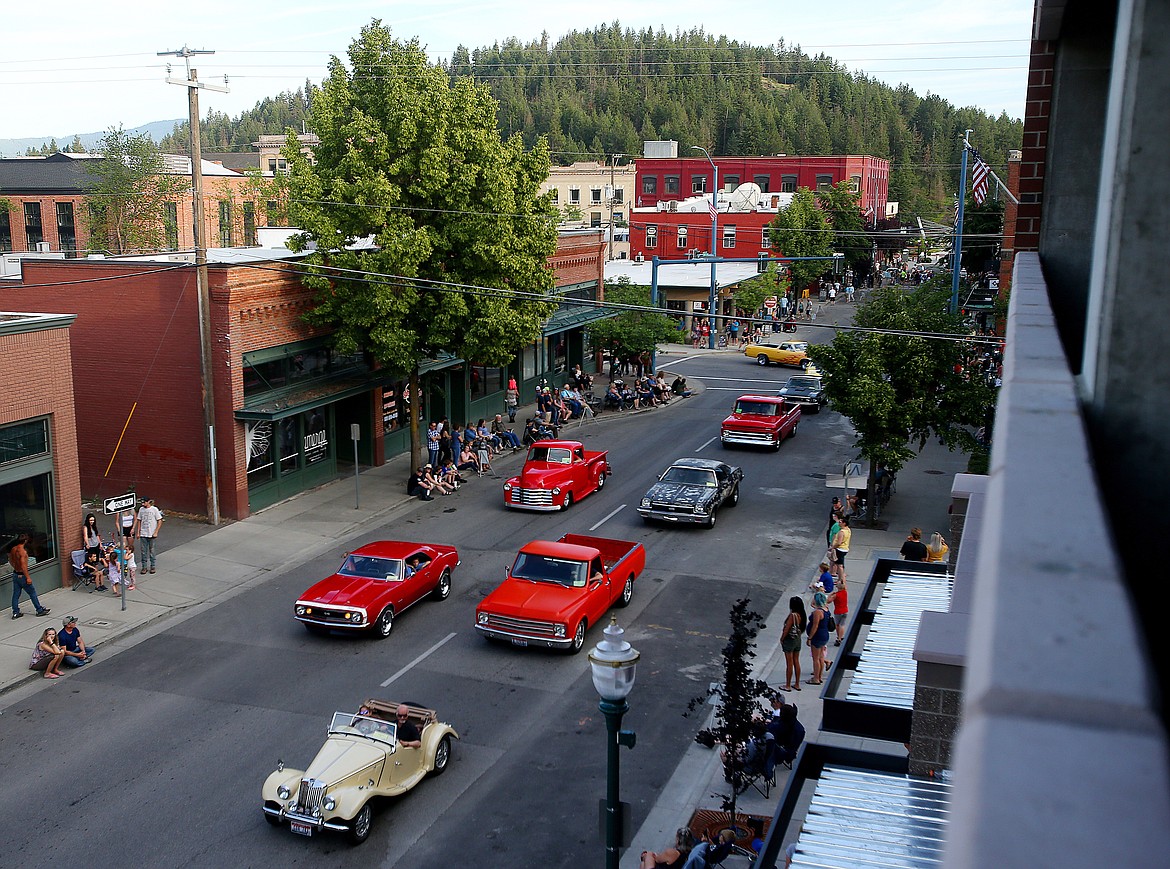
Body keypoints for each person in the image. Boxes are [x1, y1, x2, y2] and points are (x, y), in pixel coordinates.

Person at [9, 532, 50, 619]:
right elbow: (24, 567)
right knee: (32, 593)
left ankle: (15, 612)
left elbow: (10, 560)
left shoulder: (13, 549)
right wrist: (27, 577)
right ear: (25, 541)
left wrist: (15, 568)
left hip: (15, 574)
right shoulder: (23, 552)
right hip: (22, 575)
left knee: (16, 594)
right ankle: (39, 610)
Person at [806, 591, 831, 685]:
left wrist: (810, 637)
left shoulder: (817, 612)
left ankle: (816, 678)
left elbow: (815, 626)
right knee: (821, 657)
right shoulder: (826, 609)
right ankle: (819, 676)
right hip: (824, 634)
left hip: (817, 636)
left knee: (815, 658)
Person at [134, 497, 164, 575]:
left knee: (152, 551)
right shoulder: (141, 509)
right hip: (143, 533)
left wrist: (156, 531)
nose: (142, 504)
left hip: (151, 534)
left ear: (148, 502)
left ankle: (152, 566)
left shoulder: (154, 509)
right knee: (143, 551)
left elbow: (159, 521)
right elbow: (139, 521)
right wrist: (138, 532)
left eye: (144, 502)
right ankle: (144, 567)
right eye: (142, 503)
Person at [830, 515, 851, 584]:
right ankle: (840, 578)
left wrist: (833, 547)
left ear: (844, 523)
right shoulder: (848, 530)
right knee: (840, 564)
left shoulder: (842, 532)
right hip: (845, 548)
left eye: (840, 522)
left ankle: (840, 579)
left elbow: (839, 542)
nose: (838, 523)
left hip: (840, 549)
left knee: (839, 565)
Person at [829, 580, 849, 647]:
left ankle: (839, 638)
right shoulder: (845, 592)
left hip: (838, 611)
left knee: (837, 625)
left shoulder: (836, 595)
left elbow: (828, 601)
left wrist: (830, 595)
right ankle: (841, 636)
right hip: (845, 610)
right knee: (842, 625)